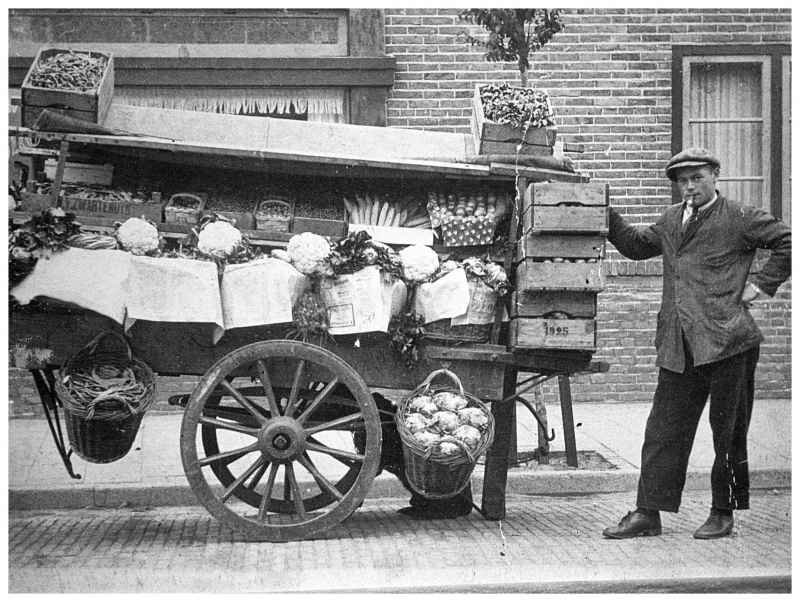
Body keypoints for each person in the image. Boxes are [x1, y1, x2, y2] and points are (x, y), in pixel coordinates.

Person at [601, 147, 791, 540]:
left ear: (715, 176)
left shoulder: (739, 217)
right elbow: (636, 246)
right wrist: (602, 210)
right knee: (663, 431)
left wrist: (762, 285)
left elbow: (788, 241)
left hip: (728, 343)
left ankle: (724, 511)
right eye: (683, 180)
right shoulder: (672, 219)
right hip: (679, 346)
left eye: (697, 177)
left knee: (729, 433)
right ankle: (648, 512)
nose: (689, 186)